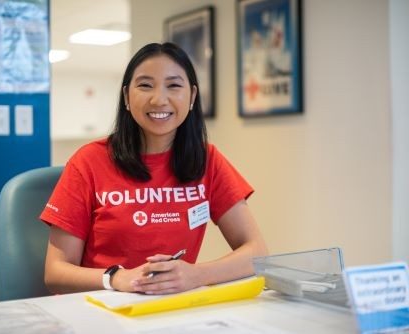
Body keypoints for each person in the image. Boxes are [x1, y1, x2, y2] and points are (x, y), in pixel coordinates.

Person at [40, 42, 268, 295]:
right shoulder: (89, 161)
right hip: (100, 308)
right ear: (126, 96)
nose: (159, 99)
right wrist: (116, 278)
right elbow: (56, 271)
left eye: (174, 86)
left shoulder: (207, 160)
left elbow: (256, 251)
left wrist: (196, 274)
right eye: (145, 85)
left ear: (192, 97)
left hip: (169, 308)